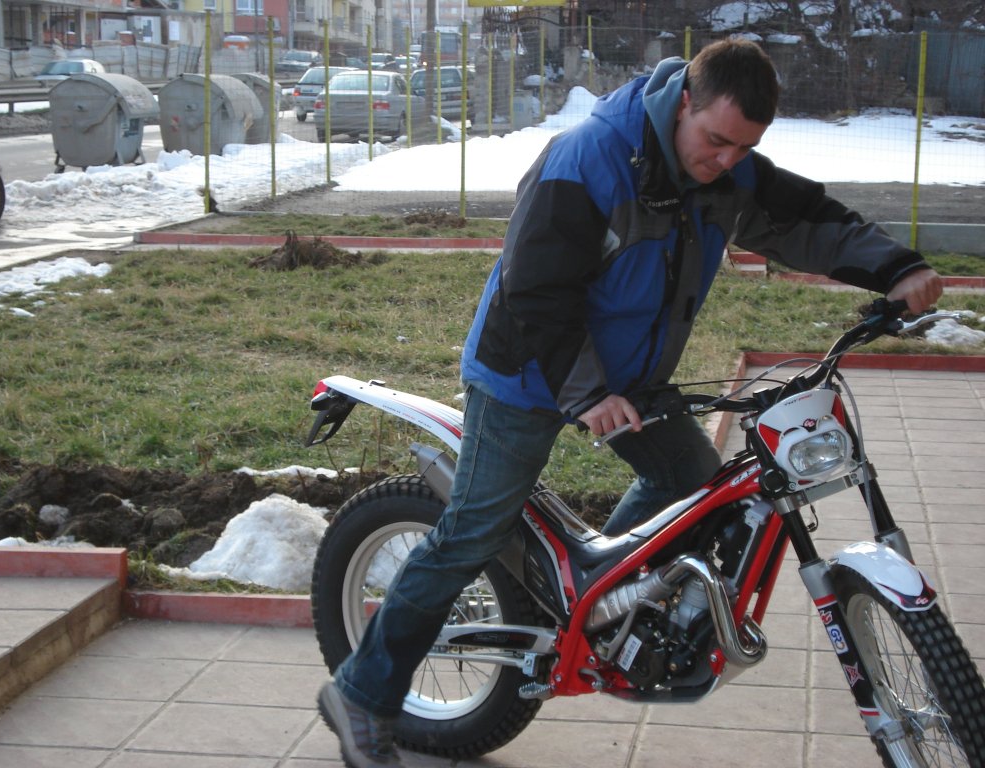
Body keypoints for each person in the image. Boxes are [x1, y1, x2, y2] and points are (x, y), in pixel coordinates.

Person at [317, 37, 943, 768]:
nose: (727, 161)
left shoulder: (725, 168)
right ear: (684, 102)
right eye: (716, 140)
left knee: (689, 479)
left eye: (745, 148)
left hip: (631, 380)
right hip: (528, 372)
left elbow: (805, 220)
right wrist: (587, 392)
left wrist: (896, 268)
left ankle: (597, 604)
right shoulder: (588, 159)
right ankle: (362, 693)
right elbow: (535, 290)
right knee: (471, 534)